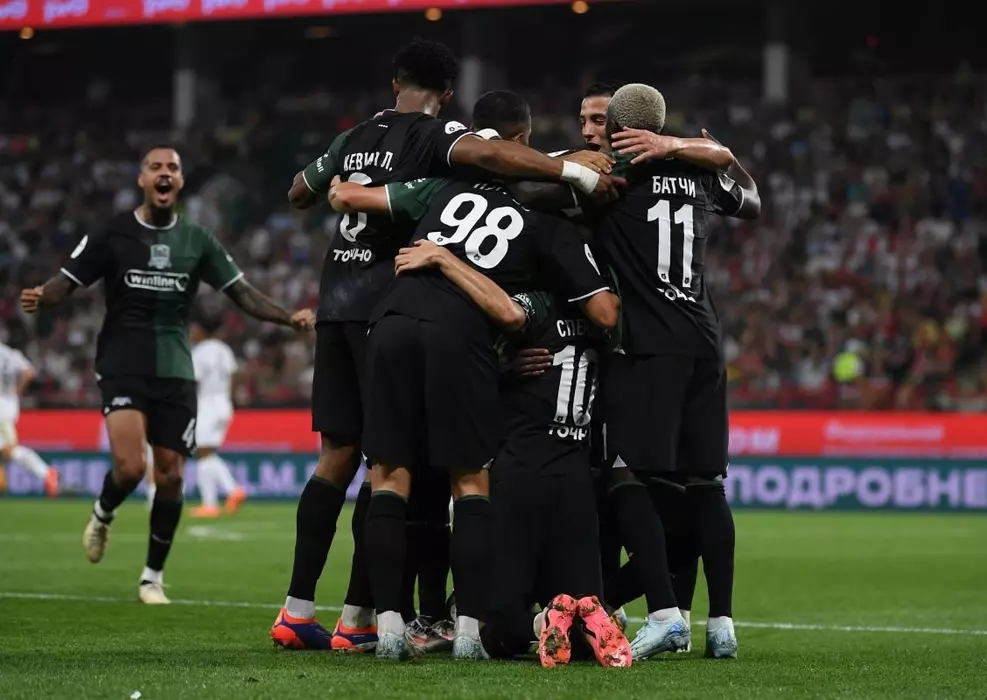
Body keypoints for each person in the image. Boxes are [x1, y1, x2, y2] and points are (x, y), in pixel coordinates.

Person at [273, 39, 620, 652]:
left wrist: (346, 180)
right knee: (449, 477)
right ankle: (413, 621)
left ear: (394, 81)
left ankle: (320, 612)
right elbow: (493, 157)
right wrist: (573, 167)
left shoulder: (361, 142)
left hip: (350, 309)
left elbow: (310, 192)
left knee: (359, 463)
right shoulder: (443, 144)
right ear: (450, 97)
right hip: (413, 306)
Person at [20, 145, 313, 605]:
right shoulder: (113, 232)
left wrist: (287, 316)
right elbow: (68, 280)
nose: (164, 173)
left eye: (172, 168)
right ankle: (103, 512)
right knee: (131, 467)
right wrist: (44, 295)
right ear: (142, 179)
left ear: (180, 181)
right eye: (155, 167)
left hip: (176, 367)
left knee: (172, 475)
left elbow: (242, 293)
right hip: (122, 362)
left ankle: (152, 577)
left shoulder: (197, 240)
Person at [594, 84, 760, 660]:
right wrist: (707, 150)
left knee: (628, 474)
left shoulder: (614, 174)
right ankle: (723, 625)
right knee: (706, 483)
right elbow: (752, 200)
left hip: (652, 344)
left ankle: (663, 613)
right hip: (704, 339)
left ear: (617, 128)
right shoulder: (698, 173)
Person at [188, 312, 246, 518]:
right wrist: (229, 399)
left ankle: (224, 495)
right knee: (206, 452)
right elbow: (234, 375)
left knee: (203, 451)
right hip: (224, 404)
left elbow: (194, 381)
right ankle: (216, 500)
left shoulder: (199, 352)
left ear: (202, 331)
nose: (191, 332)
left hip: (207, 404)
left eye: (194, 329)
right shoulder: (224, 349)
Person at [0, 342, 59, 497]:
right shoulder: (12, 354)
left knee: (9, 450)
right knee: (6, 450)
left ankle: (46, 472)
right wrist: (17, 390)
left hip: (1, 409)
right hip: (9, 404)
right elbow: (29, 372)